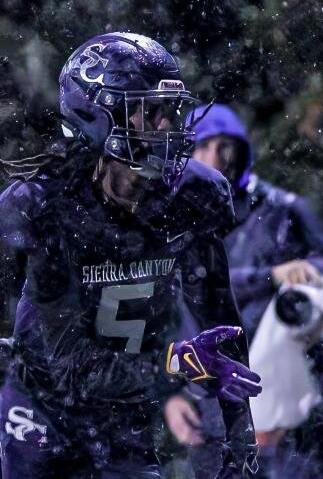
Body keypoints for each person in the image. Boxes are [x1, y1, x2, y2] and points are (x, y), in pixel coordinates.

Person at [0, 32, 261, 477]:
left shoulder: (194, 195)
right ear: (95, 115)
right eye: (151, 112)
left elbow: (221, 324)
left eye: (172, 112)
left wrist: (240, 431)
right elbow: (73, 369)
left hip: (127, 412)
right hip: (43, 411)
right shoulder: (44, 207)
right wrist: (176, 362)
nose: (167, 127)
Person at [163, 104, 323, 478]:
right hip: (219, 420)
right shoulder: (171, 225)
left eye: (225, 145)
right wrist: (170, 396)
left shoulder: (280, 212)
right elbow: (170, 317)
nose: (215, 158)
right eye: (201, 146)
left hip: (300, 426)